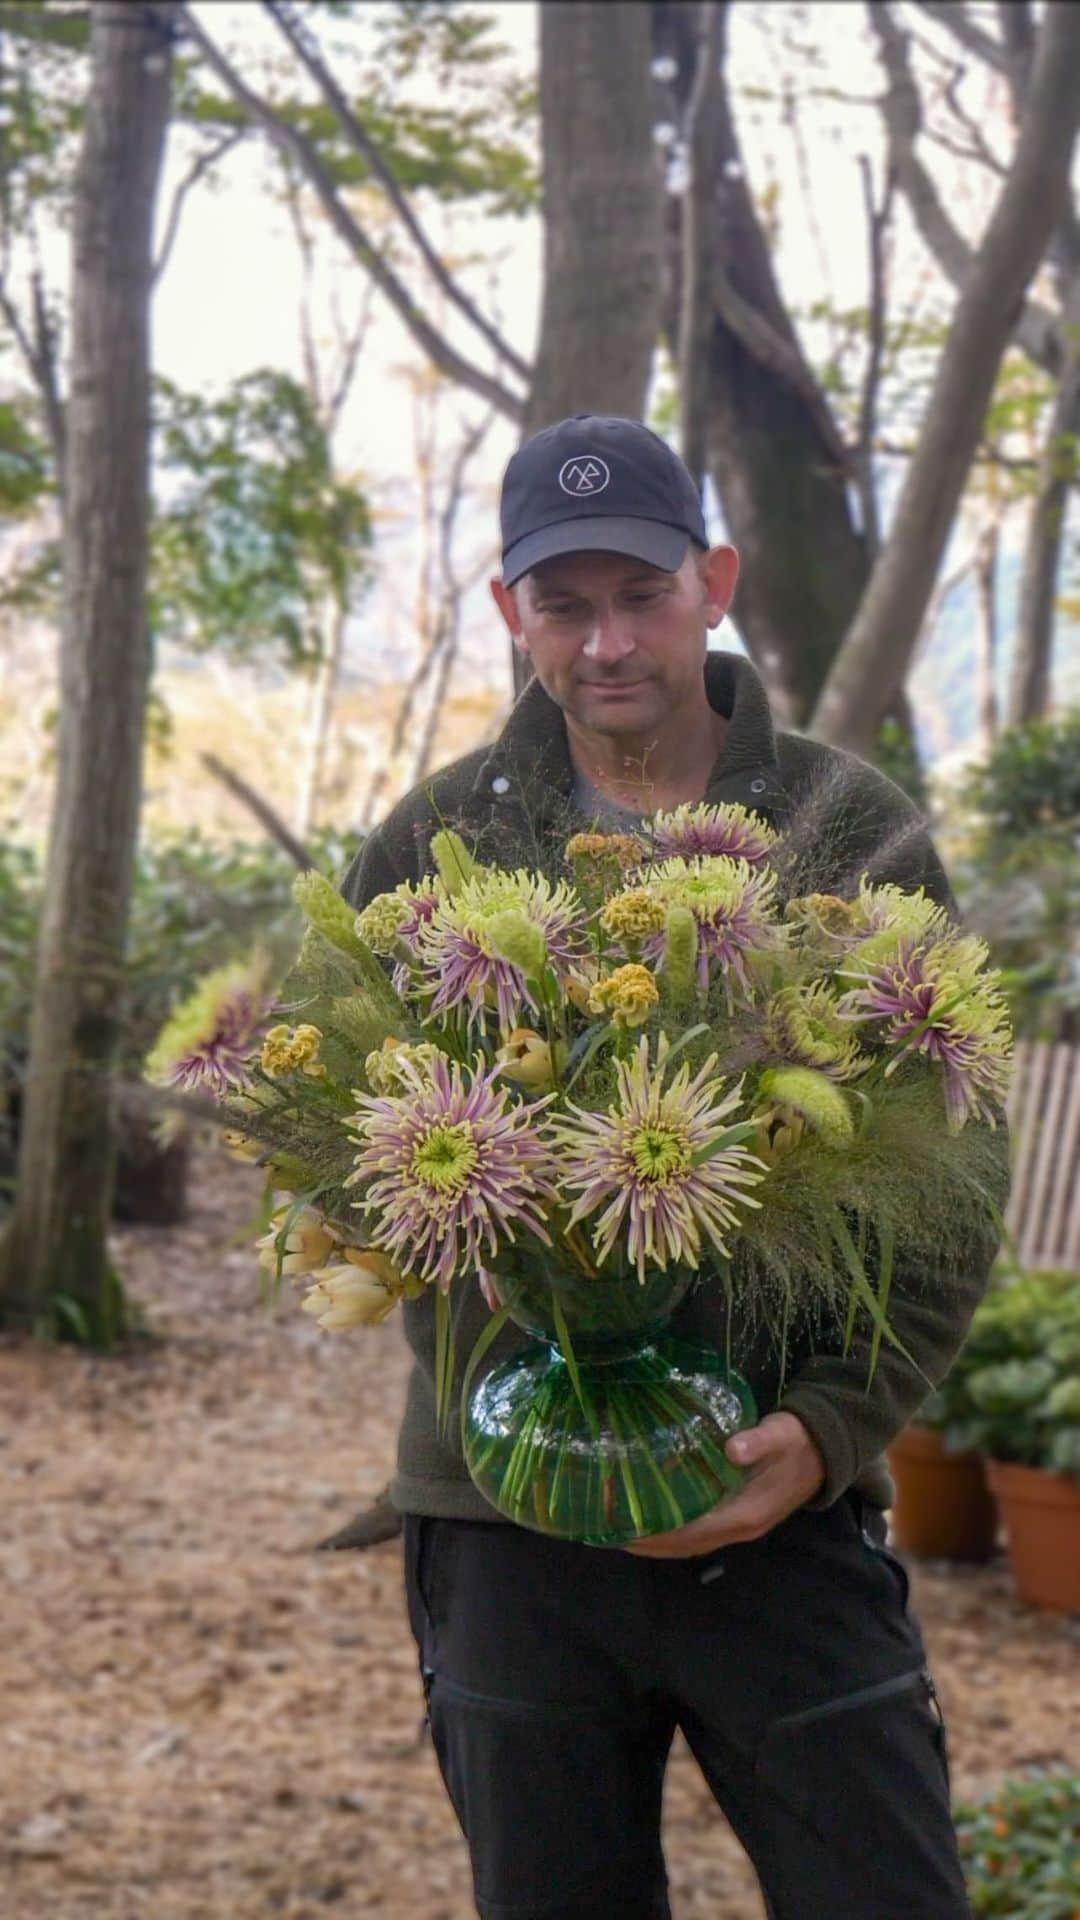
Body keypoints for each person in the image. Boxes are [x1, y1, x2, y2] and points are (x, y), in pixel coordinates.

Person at [340, 414, 1007, 1919]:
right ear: (512, 614)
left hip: (774, 1505)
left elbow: (956, 1184)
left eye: (640, 592)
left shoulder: (850, 834)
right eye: (563, 605)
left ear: (714, 580)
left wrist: (834, 1428)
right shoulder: (436, 843)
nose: (608, 642)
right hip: (505, 1534)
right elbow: (349, 1154)